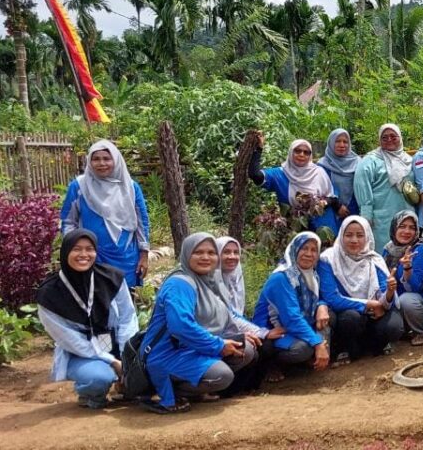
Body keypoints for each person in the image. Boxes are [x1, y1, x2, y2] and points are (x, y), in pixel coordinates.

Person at [143, 233, 266, 413]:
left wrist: (235, 335)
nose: (206, 257)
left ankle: (194, 387)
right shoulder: (179, 283)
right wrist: (218, 345)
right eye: (198, 252)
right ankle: (167, 389)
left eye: (211, 252)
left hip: (191, 348)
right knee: (221, 376)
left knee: (245, 349)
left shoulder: (208, 281)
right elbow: (180, 326)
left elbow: (224, 314)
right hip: (167, 353)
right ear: (186, 254)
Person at [36, 230, 139, 409]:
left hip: (112, 341)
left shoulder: (112, 278)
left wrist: (126, 355)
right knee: (100, 377)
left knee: (148, 367)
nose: (83, 254)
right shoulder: (50, 294)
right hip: (81, 352)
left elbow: (127, 318)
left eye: (89, 249)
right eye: (76, 249)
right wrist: (113, 361)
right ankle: (91, 396)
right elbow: (70, 340)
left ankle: (126, 388)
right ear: (65, 251)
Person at [61, 140, 150, 288]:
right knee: (94, 301)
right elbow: (68, 221)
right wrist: (74, 248)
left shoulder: (130, 187)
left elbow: (142, 222)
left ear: (115, 160)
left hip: (126, 256)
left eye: (107, 158)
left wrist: (144, 254)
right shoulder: (79, 186)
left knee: (126, 302)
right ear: (89, 161)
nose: (101, 163)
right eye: (96, 159)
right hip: (92, 255)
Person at [317, 217, 404, 362]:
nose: (354, 240)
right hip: (347, 316)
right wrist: (369, 304)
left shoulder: (374, 259)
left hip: (373, 315)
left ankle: (370, 346)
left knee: (393, 326)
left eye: (360, 235)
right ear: (341, 235)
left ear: (367, 237)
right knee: (351, 318)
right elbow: (332, 298)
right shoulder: (328, 259)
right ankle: (348, 349)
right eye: (349, 235)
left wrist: (388, 293)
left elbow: (385, 296)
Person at [252, 232, 332, 381]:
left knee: (327, 319)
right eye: (304, 248)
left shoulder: (311, 274)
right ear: (294, 249)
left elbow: (318, 299)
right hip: (272, 331)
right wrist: (317, 342)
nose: (309, 254)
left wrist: (322, 305)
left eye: (314, 250)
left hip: (292, 327)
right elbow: (291, 318)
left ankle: (306, 361)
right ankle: (272, 364)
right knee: (303, 349)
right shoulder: (282, 277)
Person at [251, 138, 341, 233]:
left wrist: (323, 203)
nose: (302, 154)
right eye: (297, 151)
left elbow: (332, 197)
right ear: (291, 152)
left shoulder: (319, 172)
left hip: (324, 227)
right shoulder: (280, 174)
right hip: (295, 229)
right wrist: (258, 149)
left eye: (306, 152)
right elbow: (255, 175)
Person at [355, 123, 412, 249]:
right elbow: (362, 187)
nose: (389, 140)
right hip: (381, 219)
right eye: (384, 137)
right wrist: (366, 216)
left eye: (393, 136)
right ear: (379, 140)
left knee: (407, 254)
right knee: (384, 252)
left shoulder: (408, 160)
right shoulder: (370, 161)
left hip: (407, 215)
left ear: (400, 138)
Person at [384, 211, 423, 345]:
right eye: (402, 226)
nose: (407, 231)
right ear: (394, 228)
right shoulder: (388, 250)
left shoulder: (420, 249)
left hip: (418, 301)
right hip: (394, 299)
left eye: (412, 227)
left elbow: (417, 287)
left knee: (406, 299)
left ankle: (419, 331)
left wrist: (407, 269)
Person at [317, 128, 359, 219]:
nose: (342, 145)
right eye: (337, 141)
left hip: (355, 211)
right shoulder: (322, 166)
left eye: (345, 142)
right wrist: (337, 206)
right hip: (330, 212)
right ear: (331, 143)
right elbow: (320, 192)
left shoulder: (358, 163)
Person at [215, 236, 246, 315]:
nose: (232, 257)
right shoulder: (207, 283)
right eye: (226, 252)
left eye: (236, 252)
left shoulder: (234, 280)